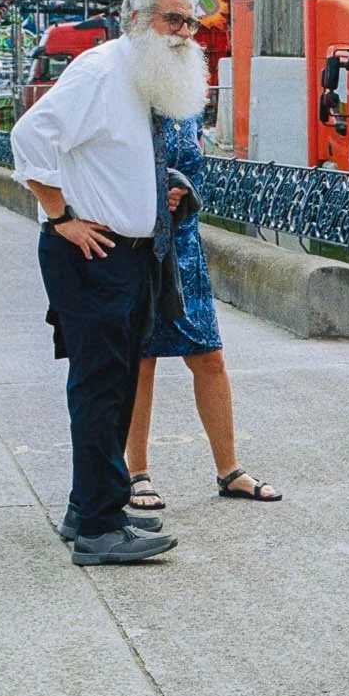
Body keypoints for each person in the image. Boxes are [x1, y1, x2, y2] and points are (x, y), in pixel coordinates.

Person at [10, 0, 213, 567]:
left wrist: (163, 191)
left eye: (190, 23)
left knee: (116, 385)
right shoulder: (101, 71)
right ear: (137, 19)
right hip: (90, 254)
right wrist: (61, 217)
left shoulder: (140, 77)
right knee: (100, 389)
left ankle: (92, 504)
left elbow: (114, 157)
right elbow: (30, 137)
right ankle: (99, 530)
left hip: (129, 255)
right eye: (172, 21)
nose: (183, 34)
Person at [122, 112, 281, 512]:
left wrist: (181, 189)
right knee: (141, 359)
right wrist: (153, 191)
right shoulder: (126, 94)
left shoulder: (190, 103)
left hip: (185, 246)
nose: (182, 44)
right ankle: (136, 473)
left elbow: (195, 171)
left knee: (209, 355)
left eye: (187, 41)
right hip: (136, 242)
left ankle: (229, 471)